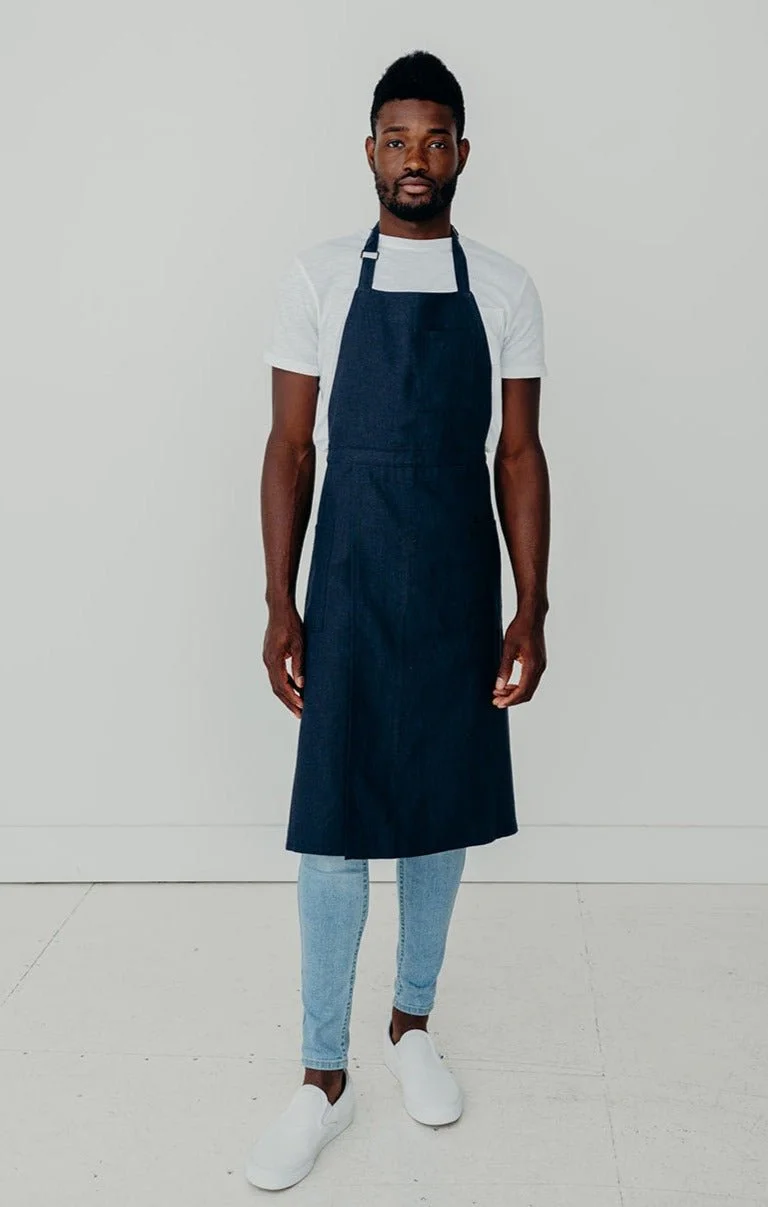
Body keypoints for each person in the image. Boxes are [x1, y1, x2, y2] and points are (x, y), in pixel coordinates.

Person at [247, 49, 550, 1191]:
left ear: (461, 152)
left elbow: (517, 454)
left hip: (462, 579)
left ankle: (411, 1024)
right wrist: (279, 600)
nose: (414, 158)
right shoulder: (320, 275)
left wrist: (532, 602)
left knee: (437, 811)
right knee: (332, 820)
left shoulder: (504, 288)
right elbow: (291, 449)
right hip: (351, 576)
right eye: (395, 139)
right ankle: (321, 1076)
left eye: (433, 140)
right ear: (368, 150)